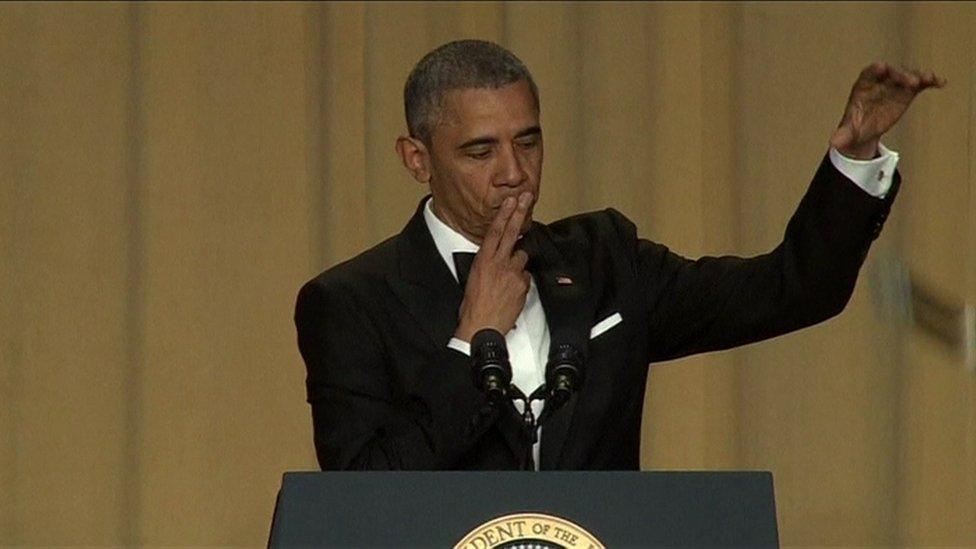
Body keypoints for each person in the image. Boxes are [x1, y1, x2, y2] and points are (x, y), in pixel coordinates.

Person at [295, 39, 943, 471]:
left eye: (528, 142)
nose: (514, 172)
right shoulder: (351, 302)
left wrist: (853, 157)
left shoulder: (607, 261)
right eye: (480, 150)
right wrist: (473, 340)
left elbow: (791, 289)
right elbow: (361, 492)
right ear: (417, 160)